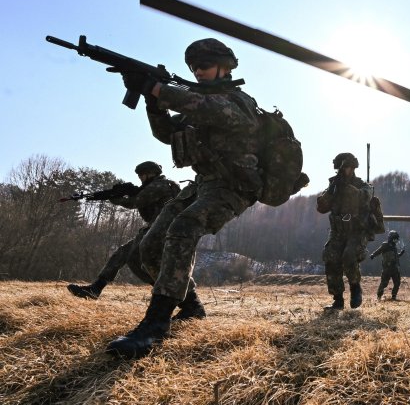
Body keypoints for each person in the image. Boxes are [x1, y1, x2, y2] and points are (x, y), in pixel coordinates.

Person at [106, 38, 263, 358]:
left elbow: (208, 109)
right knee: (149, 247)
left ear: (224, 67)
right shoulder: (196, 103)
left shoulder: (238, 100)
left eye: (203, 66)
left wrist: (156, 88)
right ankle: (192, 308)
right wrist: (151, 99)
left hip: (233, 185)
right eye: (193, 67)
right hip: (202, 184)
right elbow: (166, 133)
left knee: (185, 225)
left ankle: (154, 326)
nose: (197, 71)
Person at [67, 161, 180, 300]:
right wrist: (109, 195)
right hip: (156, 229)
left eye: (142, 175)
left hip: (162, 229)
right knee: (125, 255)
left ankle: (168, 293)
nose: (140, 178)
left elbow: (136, 201)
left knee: (137, 259)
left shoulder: (159, 186)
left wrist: (117, 199)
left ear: (151, 173)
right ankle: (96, 288)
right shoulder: (153, 186)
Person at [316, 152, 372, 310]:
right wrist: (331, 191)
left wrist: (349, 189)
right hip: (338, 231)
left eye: (347, 167)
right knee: (330, 257)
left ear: (353, 168)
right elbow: (322, 208)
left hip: (356, 231)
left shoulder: (362, 185)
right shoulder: (334, 186)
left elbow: (365, 197)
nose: (345, 170)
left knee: (349, 256)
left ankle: (355, 288)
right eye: (342, 168)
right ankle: (337, 300)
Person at [369, 230, 405, 300]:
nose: (396, 240)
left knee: (397, 283)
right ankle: (379, 296)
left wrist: (401, 254)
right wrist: (373, 255)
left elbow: (395, 256)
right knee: (384, 283)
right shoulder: (385, 245)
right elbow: (379, 251)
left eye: (397, 239)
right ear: (391, 238)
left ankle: (394, 296)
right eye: (395, 239)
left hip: (395, 268)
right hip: (387, 268)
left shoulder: (394, 247)